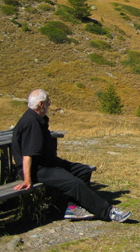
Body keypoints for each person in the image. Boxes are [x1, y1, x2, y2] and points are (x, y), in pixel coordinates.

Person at [12, 89, 131, 223]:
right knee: (74, 183)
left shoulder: (37, 119)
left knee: (84, 171)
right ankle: (108, 212)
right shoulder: (31, 123)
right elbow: (28, 154)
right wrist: (27, 179)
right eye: (48, 102)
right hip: (38, 169)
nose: (49, 105)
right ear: (41, 104)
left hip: (49, 163)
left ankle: (72, 207)